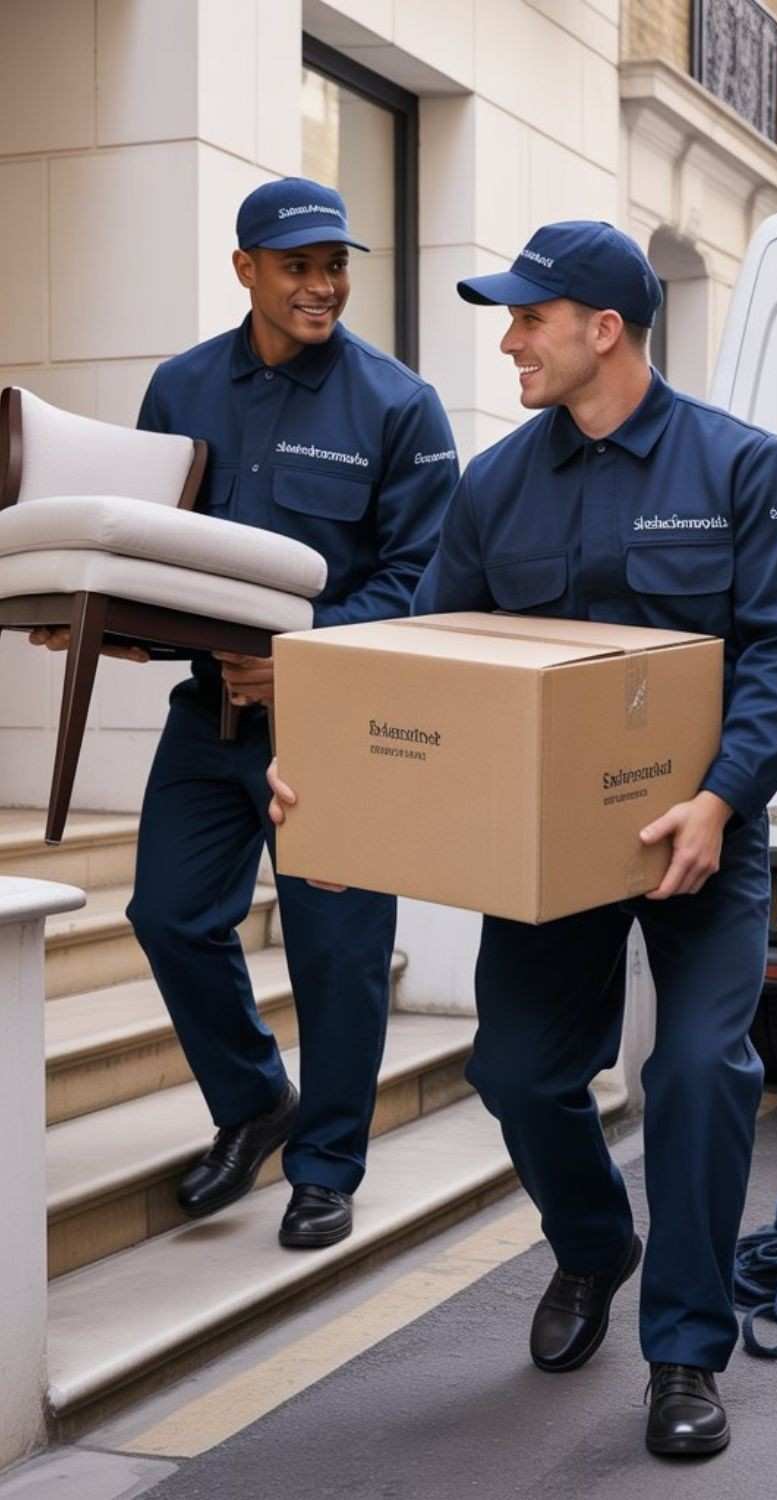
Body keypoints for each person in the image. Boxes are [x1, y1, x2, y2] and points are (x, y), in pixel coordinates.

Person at [269, 219, 777, 1453]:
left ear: (604, 329)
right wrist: (342, 798)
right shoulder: (497, 482)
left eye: (529, 318)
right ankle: (594, 1243)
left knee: (695, 1075)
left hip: (701, 837)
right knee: (517, 1072)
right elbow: (426, 675)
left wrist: (721, 798)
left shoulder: (740, 468)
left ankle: (684, 1355)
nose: (511, 340)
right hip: (547, 859)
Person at [32, 176, 458, 1250]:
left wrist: (307, 653)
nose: (323, 286)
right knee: (167, 914)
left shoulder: (397, 406)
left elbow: (427, 580)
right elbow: (156, 560)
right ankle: (252, 1101)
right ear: (246, 271)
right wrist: (98, 622)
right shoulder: (180, 390)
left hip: (344, 729)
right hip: (209, 715)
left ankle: (326, 1165)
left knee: (337, 954)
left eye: (334, 265)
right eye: (298, 267)